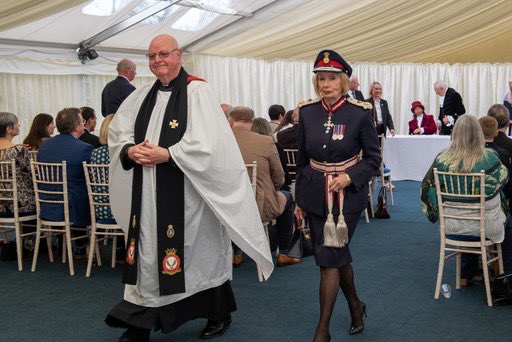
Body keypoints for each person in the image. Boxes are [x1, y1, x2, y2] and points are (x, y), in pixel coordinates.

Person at [106, 34, 273, 342]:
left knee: (199, 257)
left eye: (164, 54)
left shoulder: (198, 91)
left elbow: (211, 144)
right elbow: (119, 133)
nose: (158, 60)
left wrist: (168, 154)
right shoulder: (141, 96)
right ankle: (138, 323)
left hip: (189, 195)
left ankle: (217, 313)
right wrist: (130, 150)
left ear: (179, 55)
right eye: (152, 55)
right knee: (147, 256)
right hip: (148, 197)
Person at [295, 50, 381, 341]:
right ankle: (356, 306)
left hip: (349, 201)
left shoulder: (360, 113)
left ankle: (322, 331)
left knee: (328, 258)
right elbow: (302, 161)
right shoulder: (307, 113)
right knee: (336, 255)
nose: (326, 84)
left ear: (343, 81)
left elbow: (373, 159)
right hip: (316, 194)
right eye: (321, 78)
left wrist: (349, 177)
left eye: (332, 78)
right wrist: (299, 200)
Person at [421, 115, 509, 282]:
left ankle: (465, 274)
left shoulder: (441, 159)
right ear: (478, 134)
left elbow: (426, 190)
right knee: (507, 220)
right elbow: (503, 179)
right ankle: (504, 276)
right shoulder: (489, 157)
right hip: (485, 225)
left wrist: (437, 213)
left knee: (470, 213)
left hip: (452, 226)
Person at [230, 108, 297, 267]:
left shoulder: (222, 141)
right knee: (288, 198)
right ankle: (284, 252)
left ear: (230, 122)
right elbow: (280, 178)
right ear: (250, 121)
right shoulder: (265, 142)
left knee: (237, 213)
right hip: (260, 205)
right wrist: (271, 188)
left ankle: (236, 253)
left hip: (229, 207)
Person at [37, 107, 93, 256]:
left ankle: (68, 244)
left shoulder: (44, 146)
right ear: (76, 126)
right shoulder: (85, 148)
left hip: (46, 203)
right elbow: (91, 178)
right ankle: (86, 246)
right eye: (82, 121)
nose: (84, 124)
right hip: (72, 206)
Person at [0, 112, 35, 214]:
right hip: (18, 202)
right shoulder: (18, 150)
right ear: (9, 129)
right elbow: (30, 176)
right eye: (16, 123)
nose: (19, 125)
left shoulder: (17, 148)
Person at [252, 117, 292, 192]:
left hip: (252, 188)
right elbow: (284, 177)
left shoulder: (249, 147)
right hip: (273, 188)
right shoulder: (275, 146)